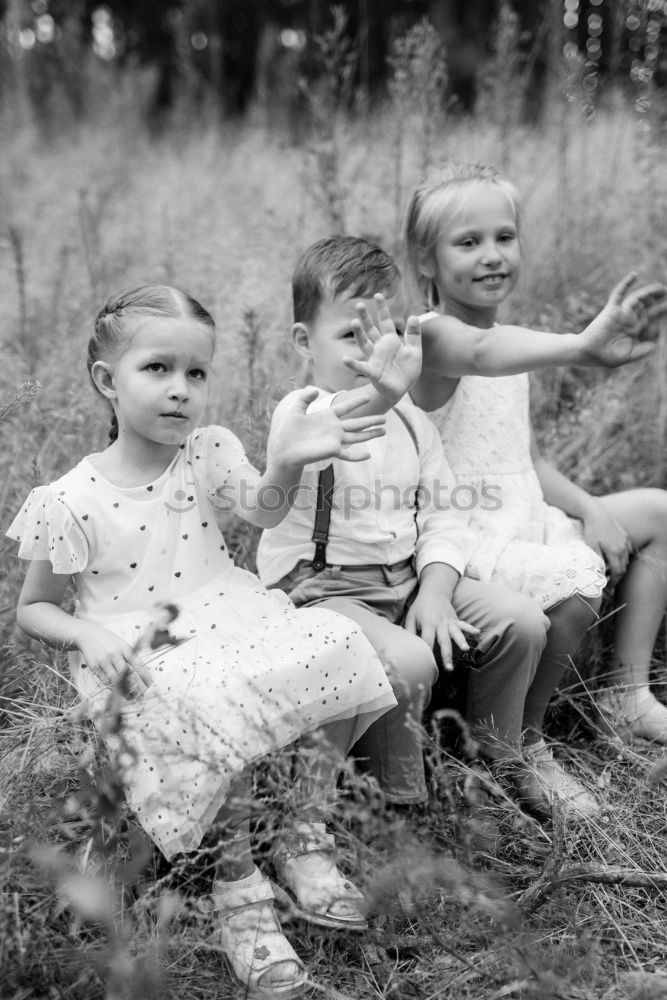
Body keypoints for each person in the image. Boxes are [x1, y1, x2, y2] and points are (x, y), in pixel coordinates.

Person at [6, 283, 405, 1000]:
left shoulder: (207, 453)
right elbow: (33, 610)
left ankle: (302, 831)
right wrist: (85, 630)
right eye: (157, 369)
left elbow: (262, 508)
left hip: (228, 607)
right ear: (107, 380)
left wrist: (285, 463)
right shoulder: (70, 498)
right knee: (219, 694)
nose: (180, 390)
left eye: (196, 373)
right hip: (141, 646)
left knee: (340, 638)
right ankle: (238, 887)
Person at [257, 234, 566, 827]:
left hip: (405, 579)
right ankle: (398, 801)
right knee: (411, 662)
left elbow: (445, 513)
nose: (374, 350)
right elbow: (331, 434)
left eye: (385, 329)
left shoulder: (411, 420)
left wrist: (435, 589)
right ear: (304, 342)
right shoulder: (301, 414)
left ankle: (492, 758)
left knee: (521, 621)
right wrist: (386, 391)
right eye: (352, 335)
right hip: (325, 592)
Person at [403, 161, 667, 789]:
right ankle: (520, 743)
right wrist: (580, 345)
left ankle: (623, 695)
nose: (491, 256)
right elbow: (479, 352)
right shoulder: (432, 338)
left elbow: (524, 457)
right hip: (463, 535)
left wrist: (590, 508)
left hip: (520, 508)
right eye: (467, 243)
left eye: (504, 237)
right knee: (572, 586)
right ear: (425, 261)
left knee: (658, 511)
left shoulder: (507, 340)